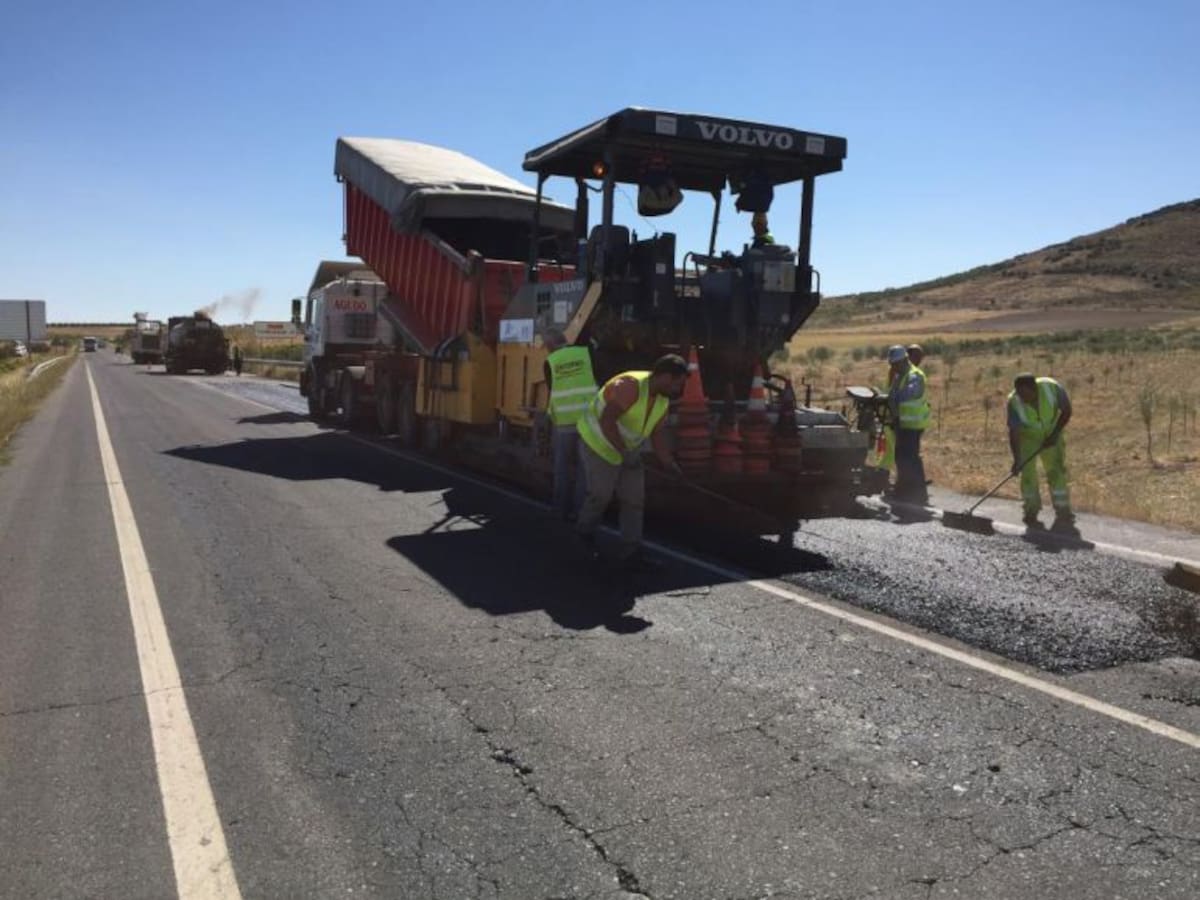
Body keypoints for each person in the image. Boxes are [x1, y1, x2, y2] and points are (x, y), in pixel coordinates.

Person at [575, 354, 689, 569]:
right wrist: (623, 452)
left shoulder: (662, 401)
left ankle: (631, 551)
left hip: (626, 450)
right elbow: (607, 420)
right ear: (664, 376)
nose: (679, 389)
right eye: (677, 383)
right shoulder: (630, 386)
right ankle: (584, 533)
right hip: (598, 443)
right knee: (601, 494)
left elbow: (657, 434)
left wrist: (669, 463)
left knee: (634, 499)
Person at [1008, 373, 1074, 532]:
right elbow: (1014, 432)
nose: (1022, 398)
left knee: (1056, 470)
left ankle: (1063, 510)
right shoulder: (1013, 401)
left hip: (1052, 431)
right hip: (1028, 436)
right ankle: (1031, 511)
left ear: (1034, 388)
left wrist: (1055, 434)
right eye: (1019, 393)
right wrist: (1017, 460)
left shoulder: (1051, 388)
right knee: (1028, 473)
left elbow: (1067, 411)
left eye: (1025, 394)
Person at [543, 328, 597, 521]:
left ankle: (560, 510)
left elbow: (552, 389)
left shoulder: (550, 362)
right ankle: (579, 511)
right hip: (588, 421)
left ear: (549, 345)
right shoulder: (586, 353)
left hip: (564, 423)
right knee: (585, 469)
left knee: (562, 468)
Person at [886, 344, 930, 504]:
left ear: (904, 360)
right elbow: (892, 394)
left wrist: (893, 397)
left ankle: (916, 494)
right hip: (903, 423)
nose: (893, 368)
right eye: (892, 365)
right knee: (902, 457)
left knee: (910, 458)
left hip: (914, 423)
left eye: (895, 364)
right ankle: (905, 491)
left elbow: (911, 393)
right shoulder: (900, 375)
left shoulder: (914, 375)